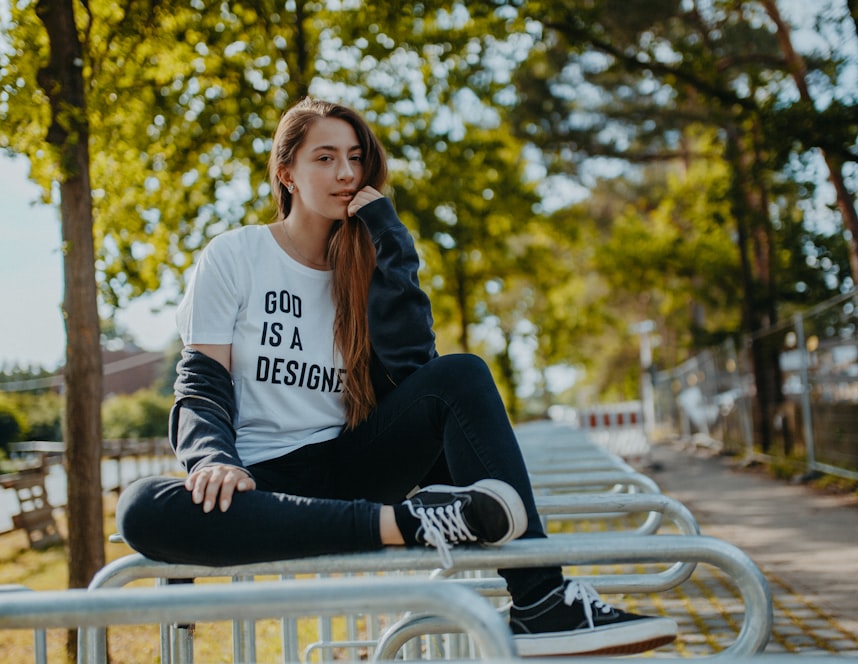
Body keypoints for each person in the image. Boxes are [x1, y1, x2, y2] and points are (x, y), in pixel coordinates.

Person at [116, 97, 678, 657]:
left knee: (461, 375)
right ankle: (408, 524)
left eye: (356, 159)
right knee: (142, 507)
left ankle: (543, 604)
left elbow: (417, 373)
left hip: (347, 464)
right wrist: (212, 458)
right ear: (285, 172)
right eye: (325, 158)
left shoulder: (365, 267)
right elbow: (202, 382)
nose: (345, 173)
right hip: (259, 485)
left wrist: (389, 236)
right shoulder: (234, 256)